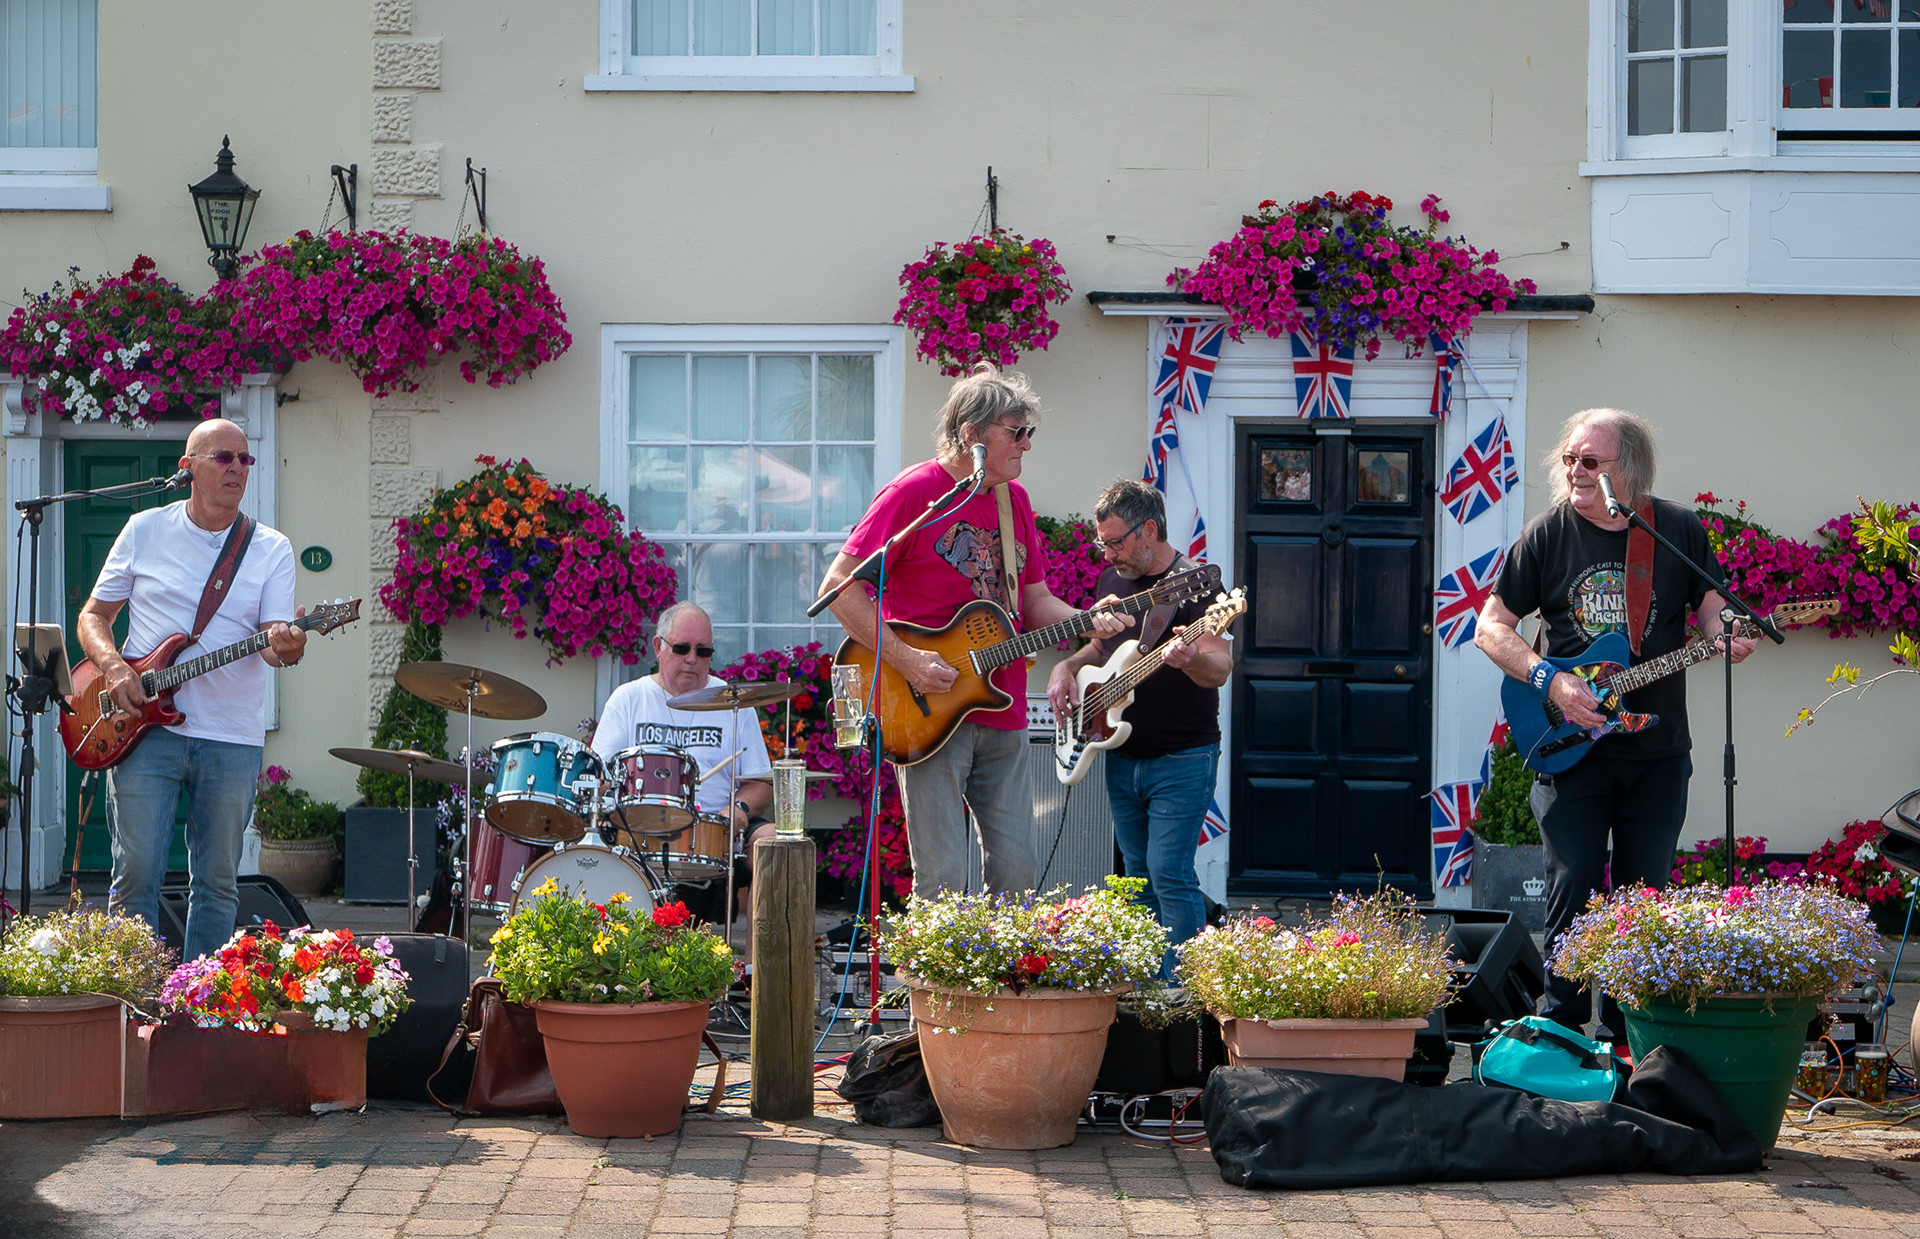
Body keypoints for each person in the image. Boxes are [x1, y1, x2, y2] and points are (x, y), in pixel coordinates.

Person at [1474, 407, 1757, 1042]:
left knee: (1643, 899)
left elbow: (1712, 613)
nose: (1574, 470)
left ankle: (1637, 1045)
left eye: (1590, 461)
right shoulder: (1546, 536)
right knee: (1571, 886)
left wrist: (1727, 635)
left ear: (1626, 471)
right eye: (1569, 458)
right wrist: (1550, 679)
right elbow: (1490, 628)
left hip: (1657, 752)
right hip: (1570, 746)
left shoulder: (1674, 530)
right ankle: (1563, 1033)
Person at [817, 364, 1125, 897]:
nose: (1027, 444)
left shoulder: (1014, 501)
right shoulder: (915, 492)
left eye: (1030, 432)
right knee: (941, 877)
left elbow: (1032, 602)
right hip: (928, 709)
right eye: (1015, 431)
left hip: (1000, 706)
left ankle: (1003, 981)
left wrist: (1084, 619)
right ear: (972, 434)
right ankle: (936, 983)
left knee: (1017, 870)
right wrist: (908, 661)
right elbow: (839, 587)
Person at [79, 418, 304, 963]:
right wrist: (113, 668)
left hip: (231, 734)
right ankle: (133, 999)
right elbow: (94, 615)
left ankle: (203, 1005)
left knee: (219, 883)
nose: (237, 468)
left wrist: (290, 645)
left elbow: (274, 645)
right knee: (135, 877)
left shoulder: (270, 548)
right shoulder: (143, 529)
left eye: (245, 460)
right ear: (188, 468)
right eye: (224, 457)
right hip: (142, 732)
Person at [1047, 480, 1233, 972]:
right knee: (1134, 879)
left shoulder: (1198, 583)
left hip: (1182, 755)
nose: (1108, 554)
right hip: (1120, 752)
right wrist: (1065, 667)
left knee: (1169, 874)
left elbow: (1220, 667)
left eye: (1116, 542)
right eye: (1102, 543)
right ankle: (1146, 989)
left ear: (1149, 528)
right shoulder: (1114, 582)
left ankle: (1188, 996)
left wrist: (1189, 659)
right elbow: (1101, 653)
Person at [590, 601, 773, 931]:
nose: (692, 658)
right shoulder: (628, 698)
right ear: (659, 647)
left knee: (776, 843)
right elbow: (599, 776)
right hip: (641, 829)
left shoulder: (734, 702)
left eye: (703, 651)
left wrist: (738, 810)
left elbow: (760, 782)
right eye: (682, 648)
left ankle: (755, 974)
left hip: (716, 829)